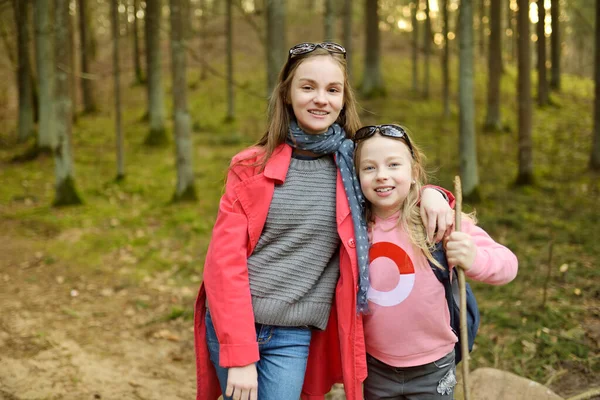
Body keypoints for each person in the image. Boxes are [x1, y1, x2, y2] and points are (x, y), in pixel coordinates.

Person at [193, 43, 454, 400]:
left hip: (294, 333)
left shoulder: (351, 165)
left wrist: (432, 194)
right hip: (235, 323)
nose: (321, 99)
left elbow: (393, 184)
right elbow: (224, 264)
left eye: (332, 90)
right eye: (308, 87)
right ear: (287, 93)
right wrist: (239, 355)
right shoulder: (250, 167)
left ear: (344, 99)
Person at [353, 124, 519, 400]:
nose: (382, 176)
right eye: (369, 168)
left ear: (414, 172)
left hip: (434, 366)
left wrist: (474, 258)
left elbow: (508, 264)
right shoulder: (356, 228)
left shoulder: (439, 221)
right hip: (375, 365)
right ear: (356, 176)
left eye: (393, 165)